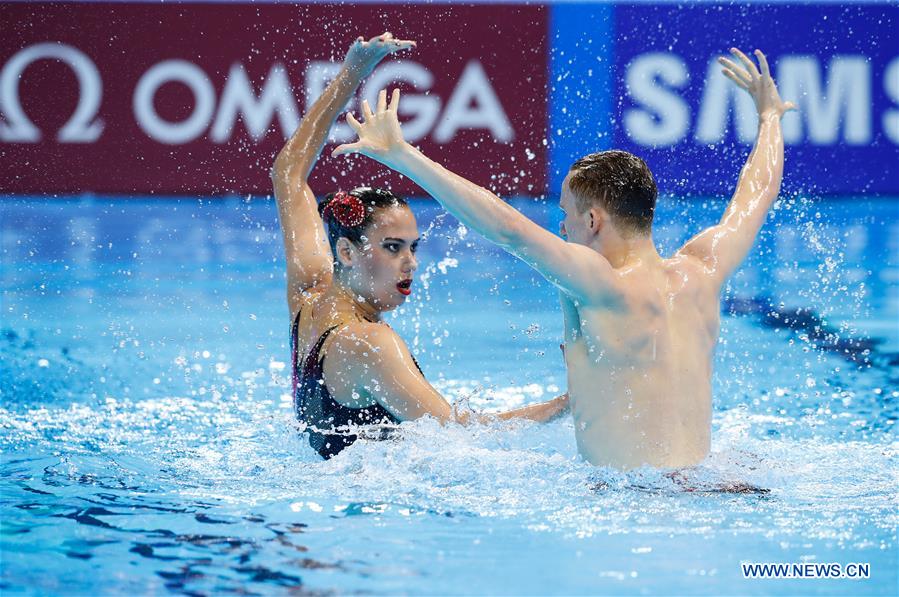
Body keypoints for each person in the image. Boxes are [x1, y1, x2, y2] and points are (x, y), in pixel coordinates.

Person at [333, 47, 796, 470]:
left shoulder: (603, 284)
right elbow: (756, 194)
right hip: (703, 483)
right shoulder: (702, 270)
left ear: (593, 221)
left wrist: (403, 155)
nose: (561, 229)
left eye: (565, 215)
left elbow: (506, 228)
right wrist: (770, 116)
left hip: (630, 506)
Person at [271, 33, 568, 459]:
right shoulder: (370, 343)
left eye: (413, 247)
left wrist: (352, 72)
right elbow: (455, 434)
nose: (410, 263)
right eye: (392, 248)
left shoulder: (308, 299)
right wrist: (567, 404)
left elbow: (287, 174)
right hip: (371, 508)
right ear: (348, 253)